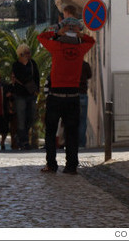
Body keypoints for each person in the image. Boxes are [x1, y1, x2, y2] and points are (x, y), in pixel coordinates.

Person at [37, 12, 95, 174]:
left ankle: (51, 164)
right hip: (73, 96)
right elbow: (91, 40)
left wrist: (57, 32)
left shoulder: (56, 47)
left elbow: (41, 37)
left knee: (50, 132)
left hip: (55, 96)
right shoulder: (80, 48)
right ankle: (71, 166)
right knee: (72, 133)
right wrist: (79, 33)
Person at [11, 44, 40, 150]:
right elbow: (21, 77)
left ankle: (20, 136)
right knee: (21, 118)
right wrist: (29, 82)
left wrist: (37, 90)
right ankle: (24, 141)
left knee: (31, 117)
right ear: (21, 54)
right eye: (27, 52)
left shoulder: (33, 64)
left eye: (29, 52)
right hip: (20, 95)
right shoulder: (16, 65)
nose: (29, 54)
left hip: (31, 94)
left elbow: (37, 77)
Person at [78, 59, 92, 148]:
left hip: (73, 94)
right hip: (83, 94)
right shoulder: (85, 65)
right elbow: (89, 76)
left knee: (73, 120)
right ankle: (81, 143)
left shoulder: (71, 64)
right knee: (83, 121)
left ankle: (72, 142)